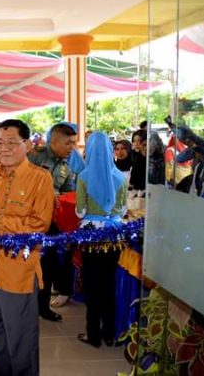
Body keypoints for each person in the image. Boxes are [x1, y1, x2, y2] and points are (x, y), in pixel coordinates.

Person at [0, 119, 54, 376]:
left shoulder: (40, 178)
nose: (3, 148)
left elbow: (39, 225)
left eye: (11, 142)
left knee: (20, 336)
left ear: (27, 145)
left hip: (18, 271)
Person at [75, 132, 128, 348]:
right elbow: (123, 210)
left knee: (92, 285)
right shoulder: (120, 177)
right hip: (114, 235)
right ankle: (109, 333)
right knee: (108, 284)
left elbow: (80, 211)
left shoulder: (84, 177)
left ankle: (93, 334)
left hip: (91, 236)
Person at [28, 123, 78, 317]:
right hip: (28, 221)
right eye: (68, 143)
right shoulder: (35, 156)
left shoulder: (67, 165)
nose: (72, 147)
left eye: (73, 143)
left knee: (47, 266)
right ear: (54, 141)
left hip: (51, 223)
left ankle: (43, 307)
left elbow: (68, 193)